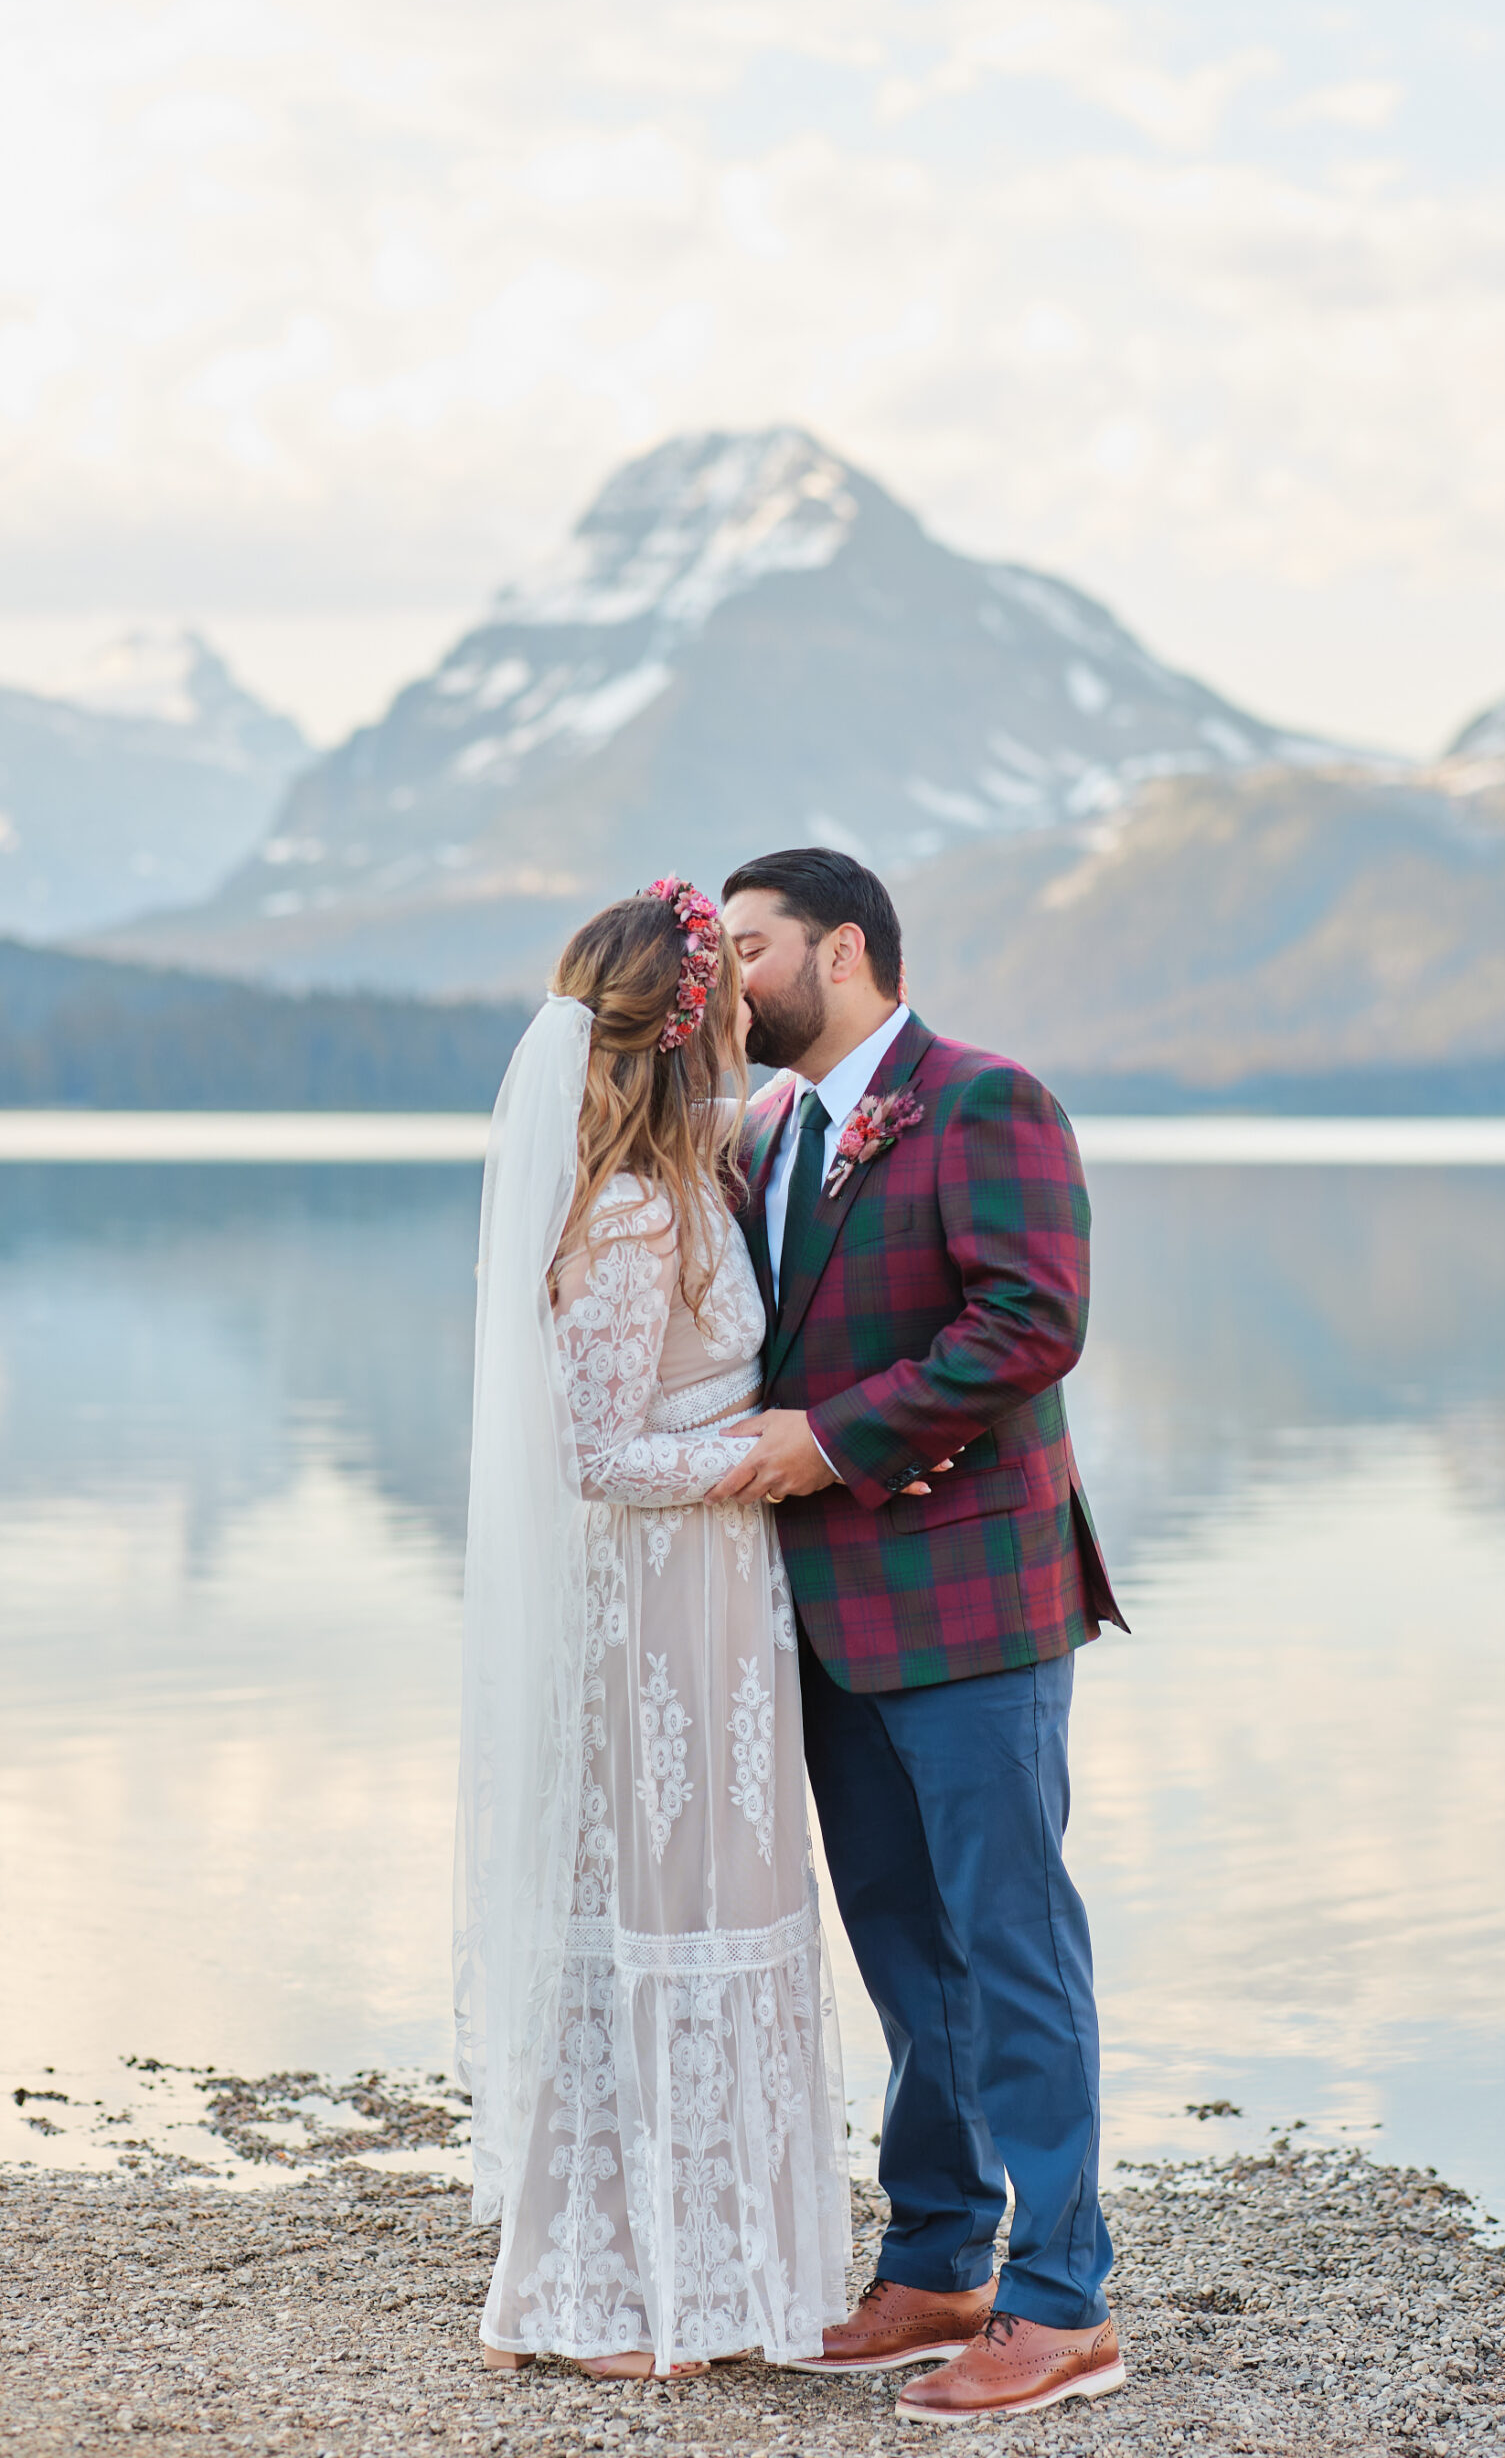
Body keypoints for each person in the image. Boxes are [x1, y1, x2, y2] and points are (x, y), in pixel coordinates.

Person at [710, 846, 1129, 2427]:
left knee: (1013, 1944)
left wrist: (835, 1441)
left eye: (752, 948)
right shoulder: (765, 1132)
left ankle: (1064, 2302)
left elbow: (1031, 1321)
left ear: (845, 953)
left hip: (973, 1602)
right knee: (902, 1947)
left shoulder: (983, 1101)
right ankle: (940, 2259)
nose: (726, 977)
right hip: (824, 1615)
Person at [453, 880, 850, 2380]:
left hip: (720, 1601)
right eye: (728, 991)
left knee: (716, 1905)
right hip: (659, 1610)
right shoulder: (623, 1211)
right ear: (687, 1028)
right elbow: (599, 1453)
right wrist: (757, 1452)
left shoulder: (686, 1176)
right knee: (658, 1914)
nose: (752, 1006)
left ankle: (712, 2275)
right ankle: (608, 2296)